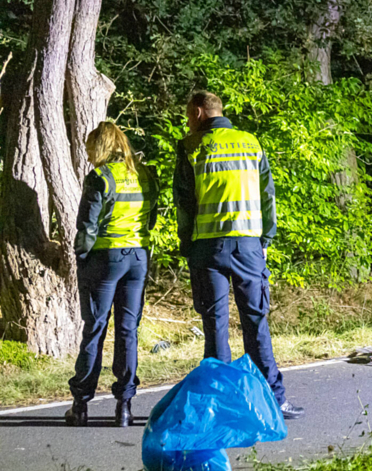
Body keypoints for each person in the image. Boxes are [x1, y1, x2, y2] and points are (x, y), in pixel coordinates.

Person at [173, 91, 304, 419]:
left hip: (208, 247)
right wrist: (265, 238)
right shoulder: (250, 142)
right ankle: (273, 399)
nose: (188, 123)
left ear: (199, 112)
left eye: (189, 116)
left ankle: (218, 404)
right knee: (256, 321)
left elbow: (184, 202)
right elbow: (267, 194)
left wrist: (187, 245)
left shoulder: (190, 147)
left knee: (215, 325)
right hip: (248, 245)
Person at [66, 122, 158, 428]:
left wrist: (81, 257)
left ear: (101, 146)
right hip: (138, 257)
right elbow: (150, 220)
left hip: (105, 258)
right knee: (128, 330)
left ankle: (81, 404)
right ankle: (124, 407)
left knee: (95, 328)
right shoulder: (144, 174)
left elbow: (87, 226)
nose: (88, 155)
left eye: (90, 148)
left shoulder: (101, 177)